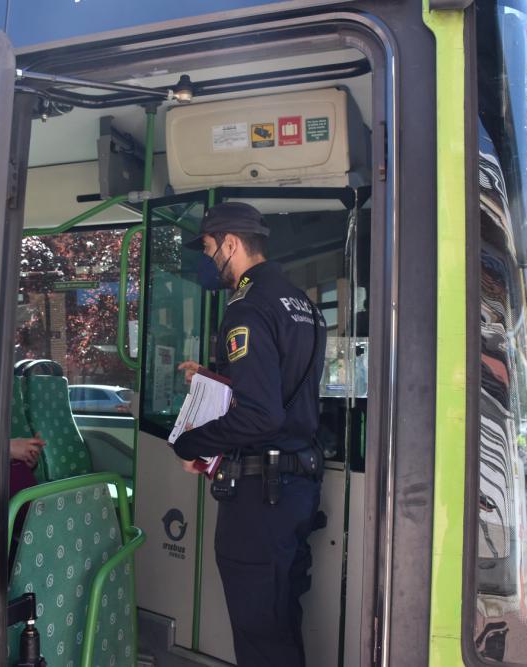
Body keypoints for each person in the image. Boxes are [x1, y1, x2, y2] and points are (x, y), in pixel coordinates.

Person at [172, 202, 326, 667]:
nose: (208, 258)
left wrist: (189, 443)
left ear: (231, 244)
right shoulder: (303, 304)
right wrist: (214, 377)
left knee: (260, 633)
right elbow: (282, 389)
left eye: (208, 247)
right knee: (280, 622)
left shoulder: (246, 307)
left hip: (261, 498)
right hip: (296, 488)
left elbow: (261, 415)